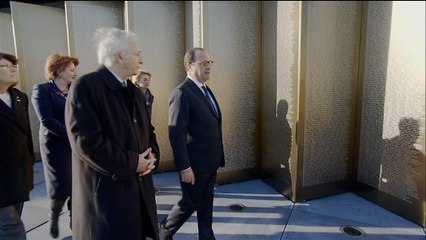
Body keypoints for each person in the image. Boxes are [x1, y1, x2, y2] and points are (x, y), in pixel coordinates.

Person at [65, 27, 160, 240]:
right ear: (120, 55)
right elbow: (86, 142)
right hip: (106, 203)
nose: (142, 59)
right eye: (137, 53)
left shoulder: (132, 89)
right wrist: (132, 162)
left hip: (136, 197)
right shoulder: (86, 87)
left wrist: (152, 156)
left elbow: (148, 129)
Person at [159, 47, 225, 240]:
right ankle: (163, 232)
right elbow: (176, 133)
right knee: (189, 202)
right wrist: (184, 166)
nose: (208, 67)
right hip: (194, 166)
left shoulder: (205, 90)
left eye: (210, 62)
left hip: (210, 161)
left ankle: (206, 236)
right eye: (203, 63)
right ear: (189, 66)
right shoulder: (181, 93)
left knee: (206, 202)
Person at [31, 53, 79, 238]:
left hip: (75, 146)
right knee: (61, 187)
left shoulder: (75, 89)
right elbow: (46, 120)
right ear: (58, 70)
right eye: (71, 69)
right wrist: (72, 135)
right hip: (55, 146)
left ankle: (76, 223)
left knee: (77, 185)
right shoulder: (42, 90)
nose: (75, 73)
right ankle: (54, 214)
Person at [0, 52, 35, 240]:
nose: (13, 69)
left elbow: (26, 135)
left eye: (14, 66)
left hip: (18, 175)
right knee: (11, 227)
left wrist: (29, 165)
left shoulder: (19, 97)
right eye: (6, 66)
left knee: (11, 219)